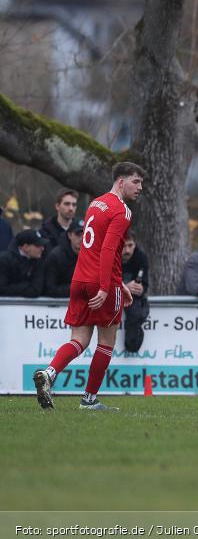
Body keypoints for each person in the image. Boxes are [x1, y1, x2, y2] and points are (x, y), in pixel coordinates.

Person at [32, 162, 145, 411]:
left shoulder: (96, 203)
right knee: (106, 342)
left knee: (79, 339)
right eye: (136, 181)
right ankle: (89, 399)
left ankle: (50, 374)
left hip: (80, 279)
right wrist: (107, 286)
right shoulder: (122, 211)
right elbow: (107, 250)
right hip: (101, 282)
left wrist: (117, 285)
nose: (140, 187)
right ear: (121, 181)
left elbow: (95, 246)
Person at [121, 232, 150, 353]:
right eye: (123, 246)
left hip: (133, 298)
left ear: (135, 244)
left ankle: (132, 342)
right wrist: (124, 287)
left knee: (137, 311)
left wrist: (141, 289)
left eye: (130, 245)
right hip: (110, 296)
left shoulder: (141, 257)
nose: (127, 250)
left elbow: (145, 284)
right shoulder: (108, 255)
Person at [0, 229, 50, 297]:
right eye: (38, 245)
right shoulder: (4, 260)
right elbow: (2, 289)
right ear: (26, 247)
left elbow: (36, 290)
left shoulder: (39, 260)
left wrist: (13, 287)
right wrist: (26, 286)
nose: (42, 248)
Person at [43, 219, 85, 298]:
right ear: (69, 235)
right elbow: (50, 289)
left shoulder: (93, 256)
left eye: (85, 234)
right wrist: (78, 289)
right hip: (58, 306)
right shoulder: (56, 256)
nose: (82, 238)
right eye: (78, 234)